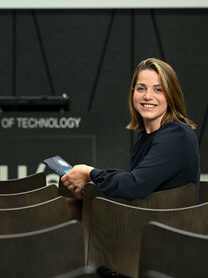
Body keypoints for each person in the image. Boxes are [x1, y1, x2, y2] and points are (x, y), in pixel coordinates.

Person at [61, 57, 200, 200]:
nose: (147, 96)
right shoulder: (146, 136)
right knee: (72, 204)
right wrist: (92, 182)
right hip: (147, 216)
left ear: (171, 96)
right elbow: (136, 181)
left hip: (167, 222)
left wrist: (90, 173)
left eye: (158, 90)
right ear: (133, 93)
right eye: (141, 88)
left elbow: (133, 186)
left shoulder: (176, 135)